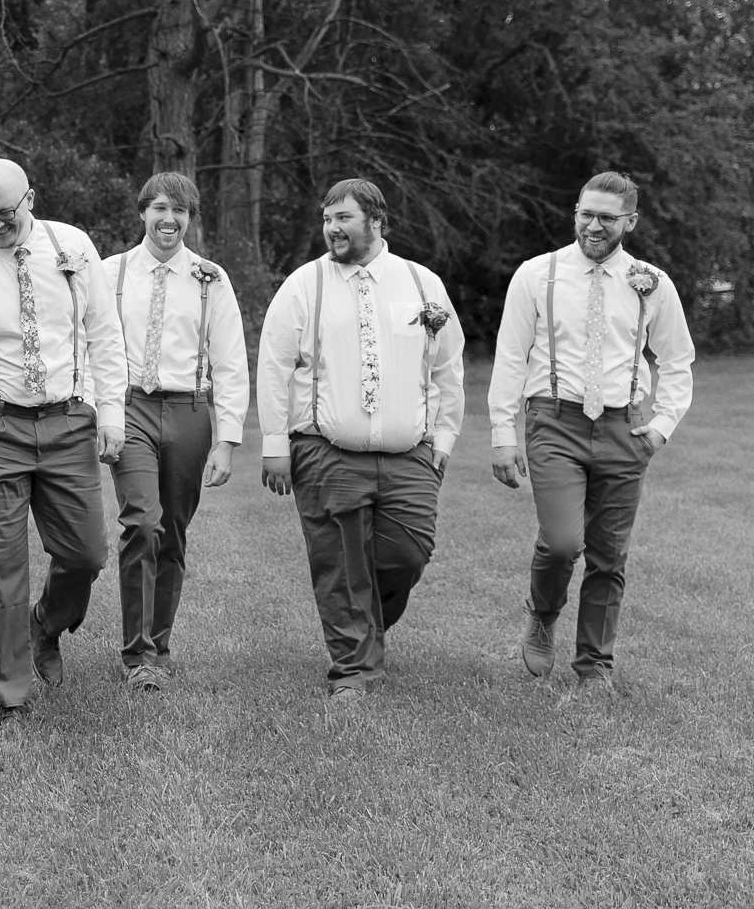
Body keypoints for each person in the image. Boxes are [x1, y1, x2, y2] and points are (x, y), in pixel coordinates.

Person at [0, 158, 127, 723]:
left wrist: (111, 412)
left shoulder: (74, 247)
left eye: (4, 214)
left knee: (87, 552)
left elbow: (104, 334)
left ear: (30, 199)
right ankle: (12, 694)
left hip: (68, 421)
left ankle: (46, 624)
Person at [257, 179, 465, 700]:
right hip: (325, 449)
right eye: (327, 219)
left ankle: (365, 626)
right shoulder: (305, 284)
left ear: (376, 220)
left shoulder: (421, 283)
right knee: (340, 564)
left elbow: (448, 367)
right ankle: (353, 671)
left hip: (409, 452)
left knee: (408, 554)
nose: (332, 228)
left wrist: (443, 439)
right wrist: (275, 444)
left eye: (343, 218)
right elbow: (274, 364)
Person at [488, 171, 695, 690]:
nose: (594, 226)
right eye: (586, 214)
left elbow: (678, 359)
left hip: (625, 427)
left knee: (609, 555)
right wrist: (502, 433)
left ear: (631, 221)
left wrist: (661, 426)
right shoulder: (538, 274)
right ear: (575, 213)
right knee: (562, 543)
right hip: (555, 421)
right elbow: (510, 356)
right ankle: (542, 615)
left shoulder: (653, 282)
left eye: (606, 217)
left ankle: (594, 664)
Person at [103, 172, 248, 691]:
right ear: (143, 212)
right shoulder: (111, 273)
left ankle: (158, 647)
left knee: (172, 533)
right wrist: (102, 413)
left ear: (190, 218)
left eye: (180, 211)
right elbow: (90, 343)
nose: (169, 220)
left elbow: (230, 360)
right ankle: (137, 655)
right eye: (160, 208)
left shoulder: (211, 279)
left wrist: (226, 440)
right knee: (143, 523)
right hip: (131, 407)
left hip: (189, 412)